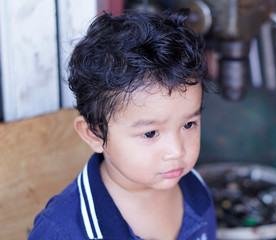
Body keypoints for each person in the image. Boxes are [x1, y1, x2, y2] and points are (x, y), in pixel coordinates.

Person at [28, 9, 216, 240]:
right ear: (94, 134)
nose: (177, 151)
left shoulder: (195, 190)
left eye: (188, 124)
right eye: (150, 133)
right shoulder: (62, 231)